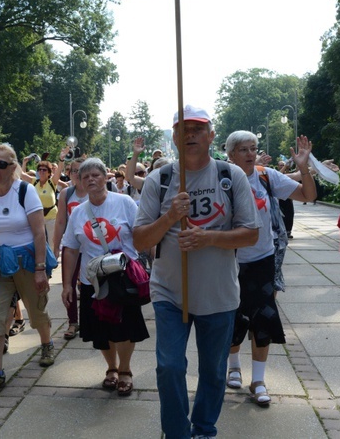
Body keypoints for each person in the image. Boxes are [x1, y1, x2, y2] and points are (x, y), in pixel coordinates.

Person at [133, 105, 260, 439]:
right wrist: (170, 217)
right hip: (170, 293)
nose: (190, 135)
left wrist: (209, 237)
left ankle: (204, 429)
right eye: (183, 129)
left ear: (211, 135)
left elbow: (251, 233)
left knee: (214, 372)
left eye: (197, 128)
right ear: (173, 137)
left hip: (219, 295)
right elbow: (140, 239)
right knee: (170, 367)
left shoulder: (230, 177)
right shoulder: (158, 181)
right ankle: (177, 433)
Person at [224, 131, 316, 406]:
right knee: (232, 318)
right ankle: (234, 367)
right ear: (230, 154)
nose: (251, 154)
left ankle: (259, 381)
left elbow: (308, 195)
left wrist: (303, 166)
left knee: (262, 319)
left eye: (253, 148)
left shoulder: (266, 176)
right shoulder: (221, 179)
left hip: (263, 259)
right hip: (229, 261)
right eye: (243, 149)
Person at [0, 143, 54, 399]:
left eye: (1, 164)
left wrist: (40, 269)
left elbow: (40, 233)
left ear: (13, 167)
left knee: (36, 308)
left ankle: (47, 344)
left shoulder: (25, 191)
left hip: (26, 260)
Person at [60, 157, 149, 396]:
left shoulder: (125, 203)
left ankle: (126, 370)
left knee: (124, 328)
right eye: (84, 176)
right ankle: (111, 368)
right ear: (78, 180)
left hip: (122, 278)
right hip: (94, 282)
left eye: (95, 175)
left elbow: (141, 236)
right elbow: (70, 248)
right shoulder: (78, 212)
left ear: (105, 177)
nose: (90, 179)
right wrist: (67, 283)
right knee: (100, 330)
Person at [52, 157, 87, 340]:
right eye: (75, 171)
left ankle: (93, 319)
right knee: (69, 285)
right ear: (70, 173)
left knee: (94, 284)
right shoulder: (67, 194)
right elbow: (60, 222)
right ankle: (73, 322)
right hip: (72, 246)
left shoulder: (94, 192)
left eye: (82, 171)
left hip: (92, 246)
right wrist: (55, 246)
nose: (79, 175)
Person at [32, 159, 62, 251]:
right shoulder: (34, 182)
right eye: (40, 169)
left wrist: (61, 159)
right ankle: (39, 259)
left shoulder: (52, 182)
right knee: (37, 239)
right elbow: (20, 174)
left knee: (52, 240)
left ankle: (52, 259)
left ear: (49, 173)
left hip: (51, 216)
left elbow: (60, 170)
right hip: (38, 216)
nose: (41, 171)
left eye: (44, 170)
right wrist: (24, 162)